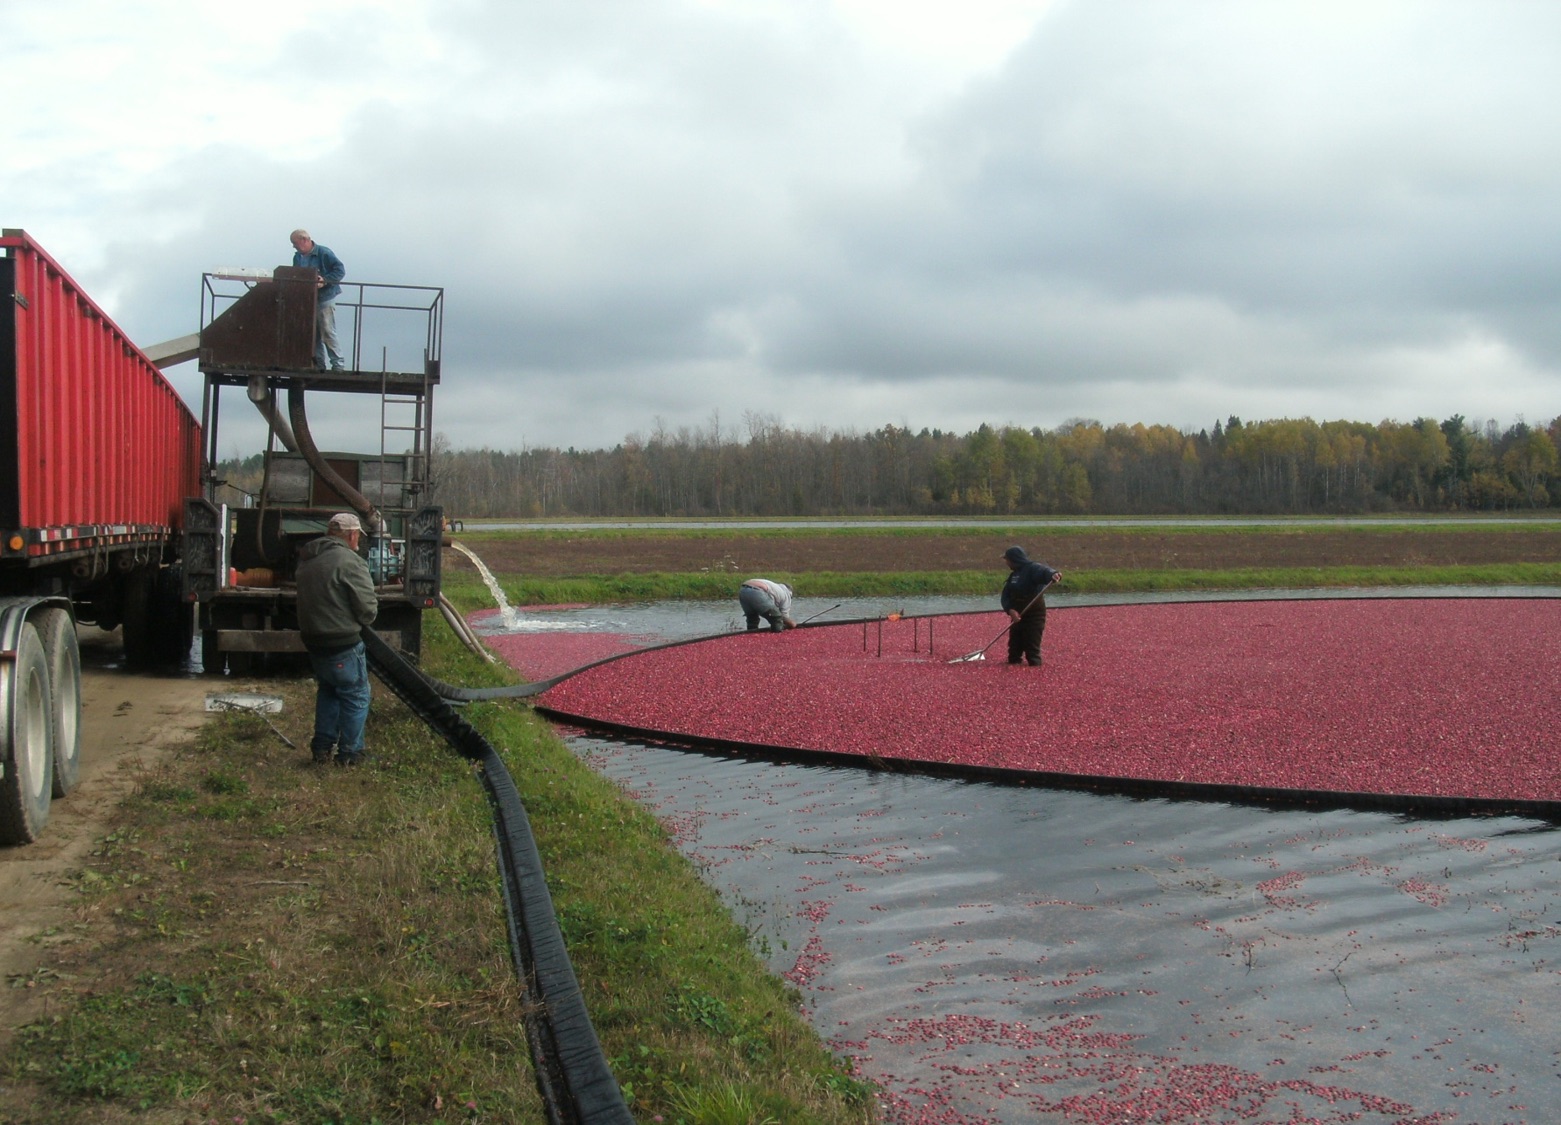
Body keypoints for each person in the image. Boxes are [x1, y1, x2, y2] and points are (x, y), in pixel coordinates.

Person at [296, 512, 379, 765]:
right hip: (342, 642)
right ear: (352, 535)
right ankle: (350, 754)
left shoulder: (309, 558)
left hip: (313, 641)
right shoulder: (350, 561)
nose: (358, 541)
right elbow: (368, 611)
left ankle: (321, 749)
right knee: (356, 695)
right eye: (358, 537)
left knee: (329, 691)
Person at [289, 228, 347, 371]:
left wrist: (325, 280)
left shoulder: (324, 252)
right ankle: (319, 364)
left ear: (304, 240)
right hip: (308, 299)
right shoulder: (297, 257)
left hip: (325, 297)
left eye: (295, 243)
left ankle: (338, 364)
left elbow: (340, 270)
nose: (294, 246)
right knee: (313, 333)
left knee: (327, 330)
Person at [1000, 545, 1061, 667]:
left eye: (1007, 560)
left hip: (1034, 613)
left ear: (1014, 559)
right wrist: (1010, 609)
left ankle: (1035, 668)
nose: (1006, 562)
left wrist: (1053, 574)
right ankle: (1014, 664)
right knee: (1014, 647)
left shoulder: (1033, 568)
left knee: (1032, 645)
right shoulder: (1013, 575)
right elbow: (1005, 596)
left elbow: (1045, 572)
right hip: (1017, 613)